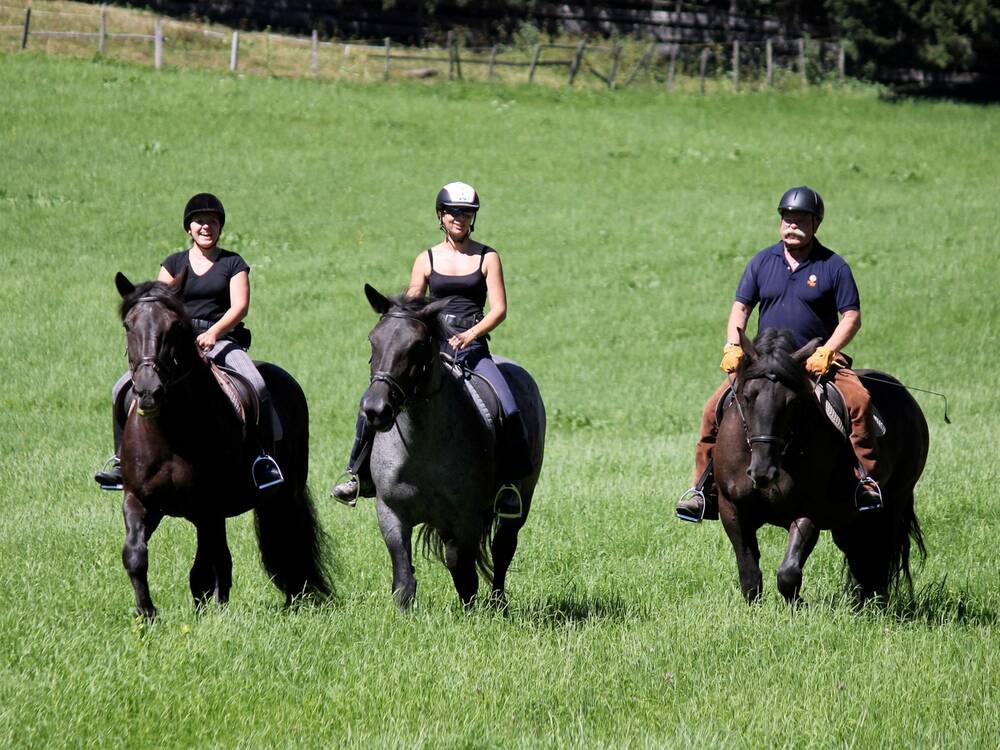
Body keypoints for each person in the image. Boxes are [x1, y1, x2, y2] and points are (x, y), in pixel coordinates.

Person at [675, 186, 883, 522]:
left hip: (814, 360)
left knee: (858, 400)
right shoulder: (762, 262)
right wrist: (733, 344)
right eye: (787, 219)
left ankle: (865, 481)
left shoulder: (833, 266)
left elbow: (851, 318)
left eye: (801, 220)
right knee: (712, 409)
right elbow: (741, 308)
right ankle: (703, 491)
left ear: (816, 223)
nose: (792, 226)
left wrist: (828, 351)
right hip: (764, 360)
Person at [330, 181, 532, 518]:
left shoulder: (487, 256)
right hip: (433, 350)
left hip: (473, 350)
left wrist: (471, 334)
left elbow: (499, 309)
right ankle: (357, 474)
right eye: (453, 212)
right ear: (441, 215)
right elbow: (412, 307)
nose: (460, 218)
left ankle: (509, 484)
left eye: (466, 213)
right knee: (372, 399)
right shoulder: (426, 259)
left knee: (508, 407)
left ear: (473, 218)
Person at [94, 193, 284, 492]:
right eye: (199, 222)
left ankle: (263, 460)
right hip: (178, 342)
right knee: (121, 387)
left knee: (257, 385)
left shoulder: (233, 263)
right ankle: (121, 461)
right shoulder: (173, 263)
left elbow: (239, 307)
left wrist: (214, 333)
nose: (206, 227)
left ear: (220, 227)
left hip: (221, 340)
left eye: (212, 222)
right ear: (188, 228)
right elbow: (157, 306)